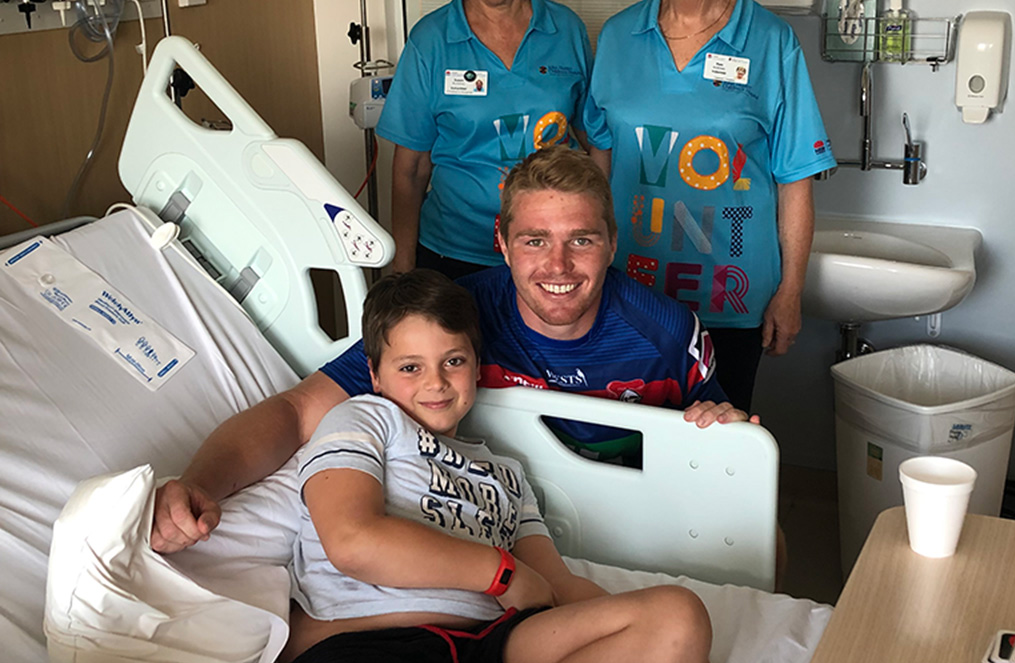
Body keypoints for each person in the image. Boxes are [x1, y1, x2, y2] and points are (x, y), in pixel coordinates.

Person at [152, 147, 754, 555]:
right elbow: (295, 411)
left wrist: (722, 425)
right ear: (502, 242)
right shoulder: (450, 321)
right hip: (496, 537)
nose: (558, 266)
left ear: (612, 243)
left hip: (638, 534)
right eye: (534, 241)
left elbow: (726, 456)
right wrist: (201, 484)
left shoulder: (667, 333)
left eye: (582, 240)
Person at [273, 269, 716, 663]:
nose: (435, 382)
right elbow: (352, 541)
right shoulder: (364, 419)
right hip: (369, 652)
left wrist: (674, 657)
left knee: (678, 620)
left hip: (494, 649)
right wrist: (500, 574)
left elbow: (555, 584)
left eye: (453, 361)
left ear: (477, 365)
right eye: (410, 367)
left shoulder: (506, 474)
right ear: (376, 375)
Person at [584, 0, 837, 411]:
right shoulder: (620, 36)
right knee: (629, 439)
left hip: (730, 300)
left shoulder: (771, 43)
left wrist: (790, 290)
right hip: (629, 292)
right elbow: (600, 163)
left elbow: (795, 180)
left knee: (717, 442)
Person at [380, 0, 592, 280]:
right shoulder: (431, 41)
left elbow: (593, 141)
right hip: (453, 255)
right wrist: (402, 268)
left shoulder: (567, 30)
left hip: (553, 254)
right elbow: (410, 169)